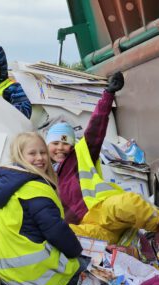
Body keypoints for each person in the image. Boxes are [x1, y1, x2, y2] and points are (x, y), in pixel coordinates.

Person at [46, 72, 159, 244]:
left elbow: (95, 129)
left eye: (65, 143)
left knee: (129, 204)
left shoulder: (79, 156)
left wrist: (108, 95)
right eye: (55, 143)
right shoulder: (42, 178)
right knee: (67, 234)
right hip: (88, 228)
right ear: (46, 146)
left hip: (103, 209)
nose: (60, 148)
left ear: (72, 145)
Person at [0, 132, 87, 285]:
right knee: (82, 268)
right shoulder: (35, 190)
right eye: (32, 153)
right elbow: (56, 231)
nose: (40, 158)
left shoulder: (10, 183)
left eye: (43, 152)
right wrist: (76, 251)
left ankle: (5, 283)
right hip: (28, 271)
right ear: (20, 156)